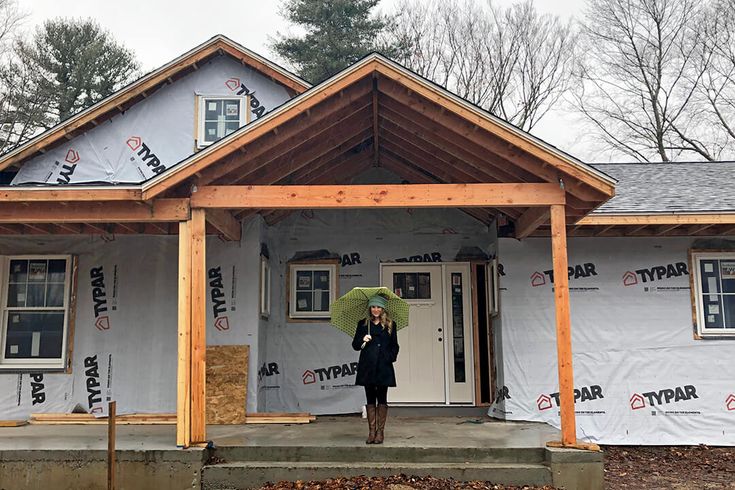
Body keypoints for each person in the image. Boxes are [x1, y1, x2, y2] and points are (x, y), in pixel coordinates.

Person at [351, 293, 399, 444]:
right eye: (373, 307)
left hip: (383, 366)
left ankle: (380, 432)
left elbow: (394, 346)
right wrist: (362, 340)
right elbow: (355, 346)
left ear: (383, 308)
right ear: (370, 308)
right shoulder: (363, 324)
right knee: (370, 398)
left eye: (378, 307)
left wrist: (388, 357)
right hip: (368, 366)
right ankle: (371, 432)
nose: (375, 310)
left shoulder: (390, 324)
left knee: (382, 398)